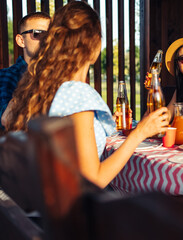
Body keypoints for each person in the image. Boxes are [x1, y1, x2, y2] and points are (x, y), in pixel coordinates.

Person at [2, 1, 169, 189]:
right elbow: (94, 180)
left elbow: (8, 120)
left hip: (35, 204)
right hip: (70, 212)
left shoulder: (41, 87)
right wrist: (140, 133)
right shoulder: (78, 95)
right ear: (95, 46)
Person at [0, 12, 50, 129]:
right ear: (21, 40)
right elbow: (7, 119)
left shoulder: (62, 76)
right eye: (38, 34)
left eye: (52, 35)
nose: (47, 40)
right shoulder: (5, 76)